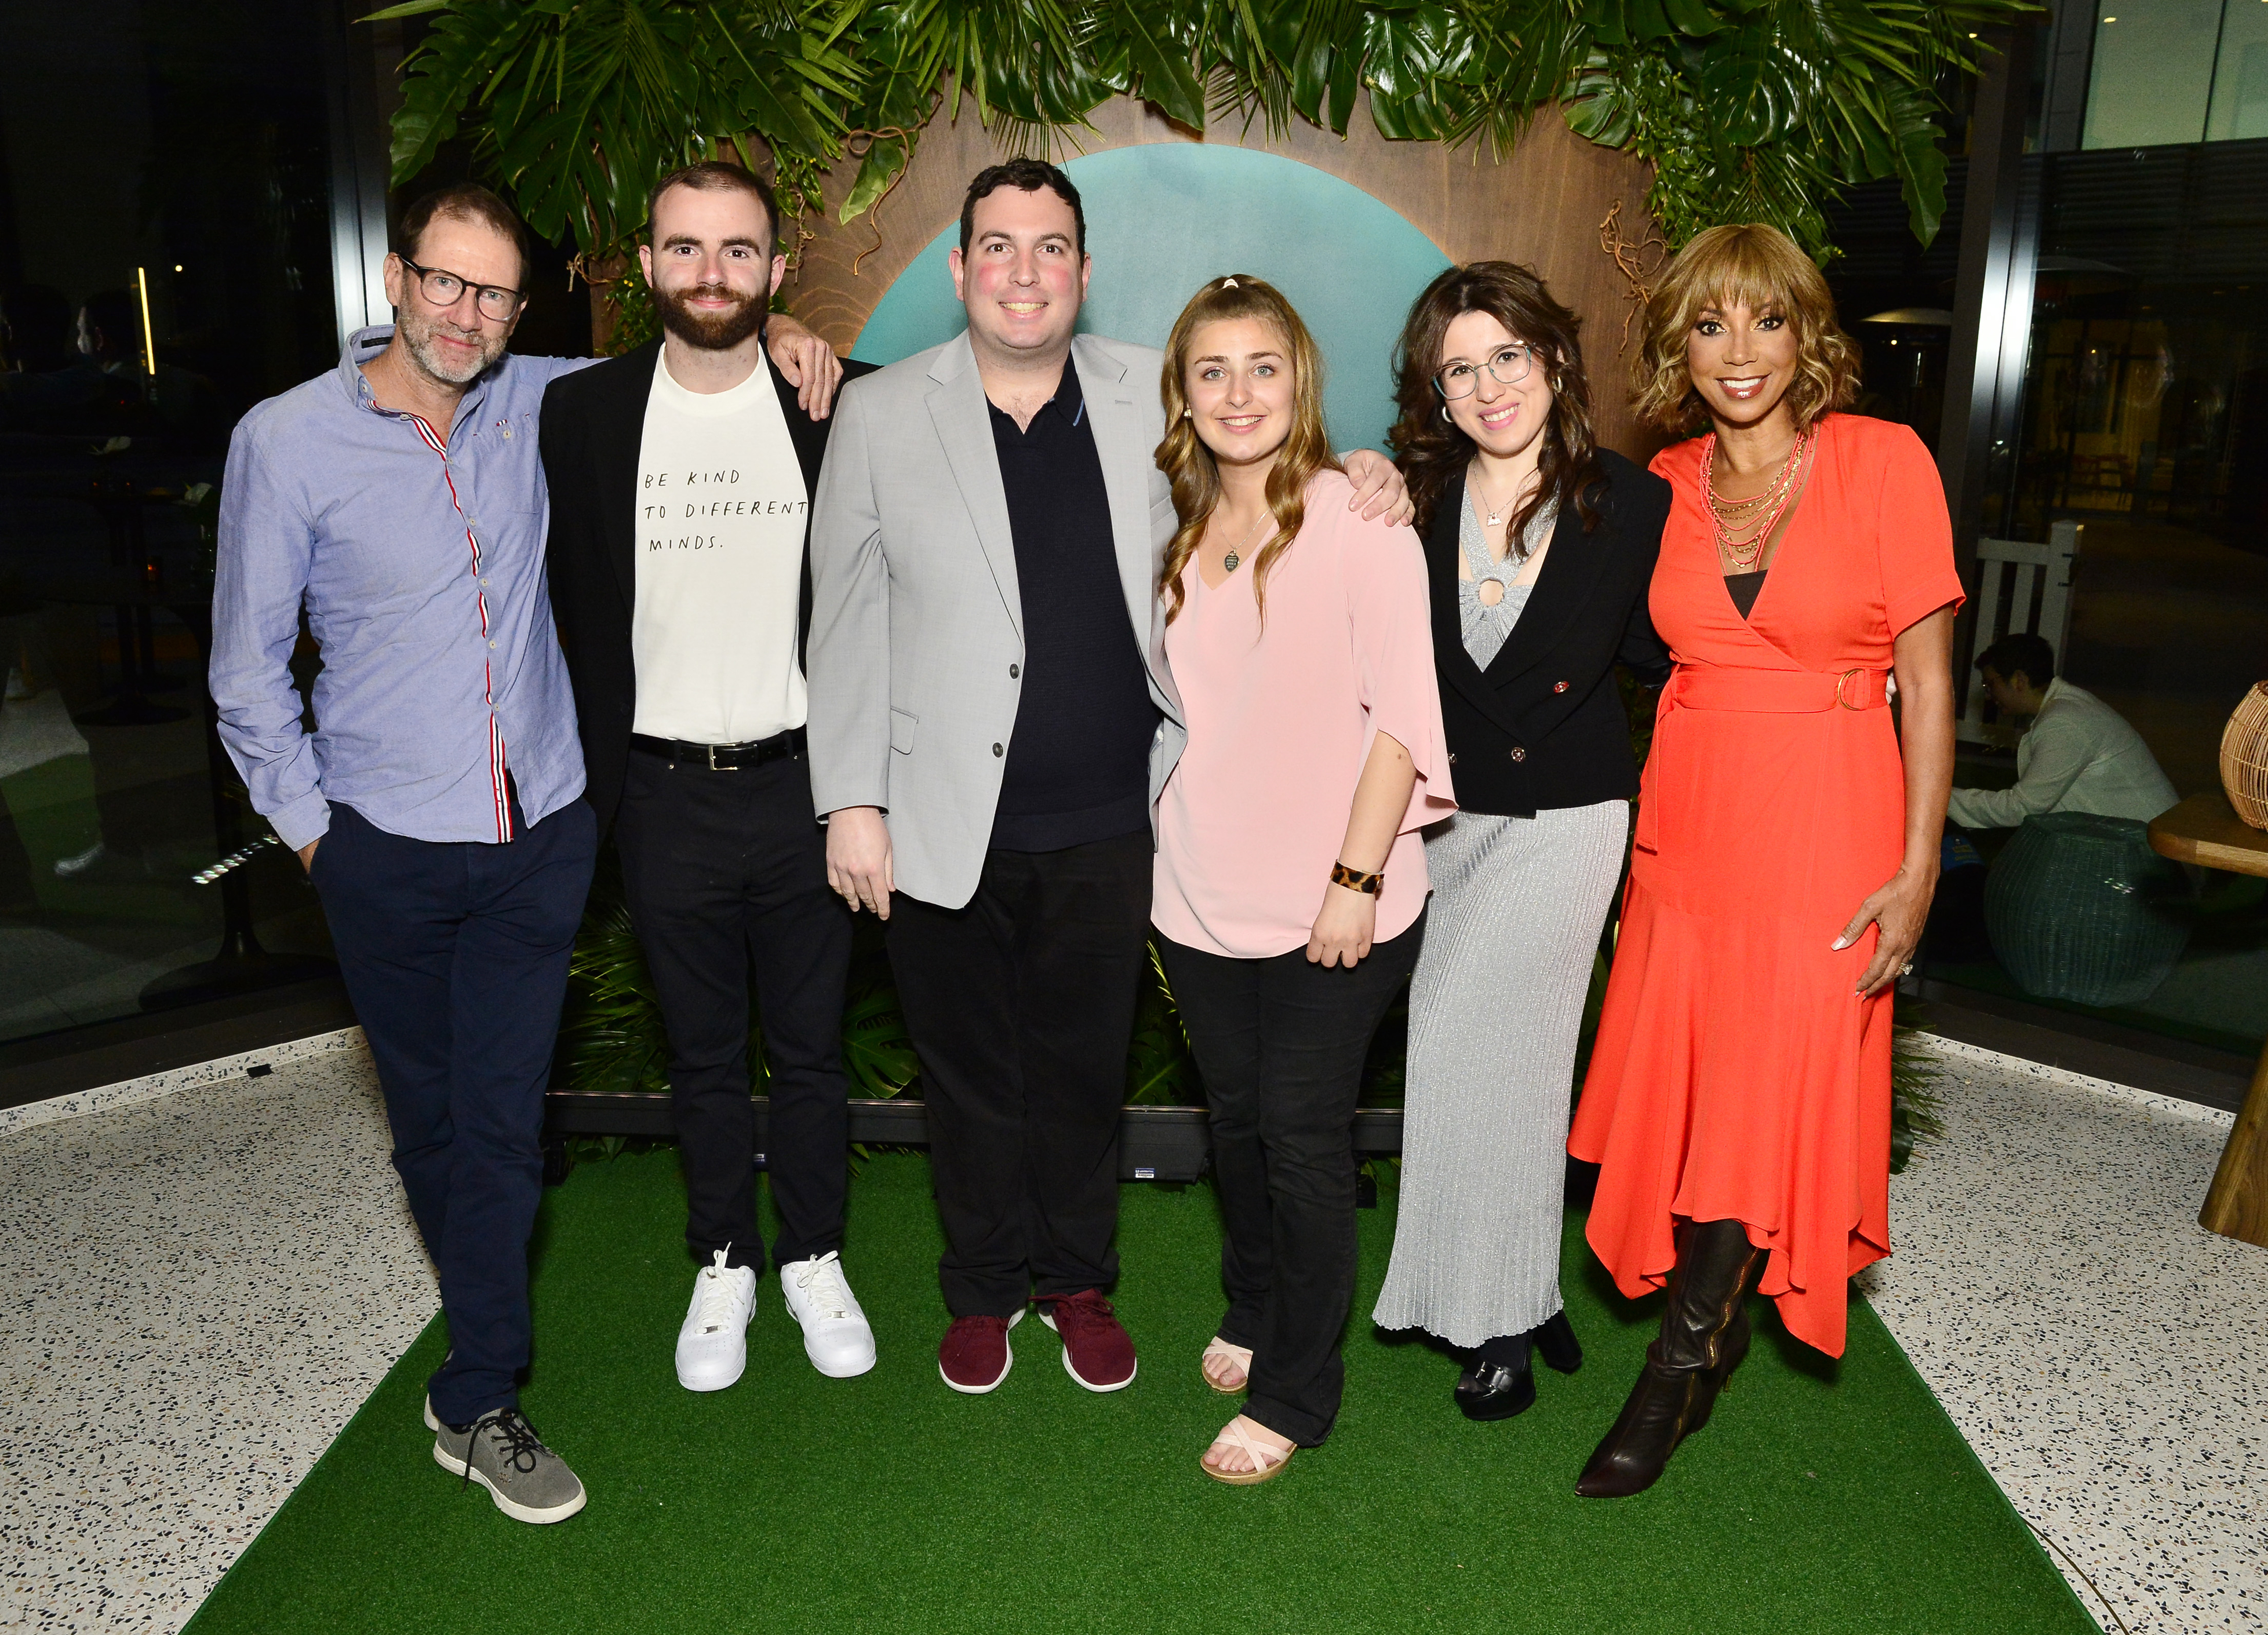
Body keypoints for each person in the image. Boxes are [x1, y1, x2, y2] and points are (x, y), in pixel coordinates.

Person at [210, 182, 838, 1524]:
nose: (466, 313)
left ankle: (478, 1389)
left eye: (495, 293)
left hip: (543, 834)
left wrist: (783, 334)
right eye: (446, 281)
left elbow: (691, 352)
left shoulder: (540, 402)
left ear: (518, 311)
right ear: (396, 278)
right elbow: (245, 673)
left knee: (494, 1129)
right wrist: (316, 839)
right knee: (436, 1129)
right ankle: (483, 1346)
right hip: (380, 845)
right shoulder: (289, 441)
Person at [809, 159, 1410, 1399]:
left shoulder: (1157, 390)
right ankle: (981, 1287)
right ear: (957, 267)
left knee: (1083, 1069)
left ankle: (1075, 1280)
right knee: (965, 1073)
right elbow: (843, 618)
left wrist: (1367, 468)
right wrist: (848, 800)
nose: (1021, 271)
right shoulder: (878, 414)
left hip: (1113, 816)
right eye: (997, 246)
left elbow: (1267, 451)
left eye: (1048, 248)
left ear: (1082, 273)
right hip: (933, 817)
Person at [1567, 223, 1963, 1498]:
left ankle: (1678, 1365)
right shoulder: (1658, 485)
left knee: (1772, 1079)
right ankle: (1708, 1318)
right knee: (1695, 1087)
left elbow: (1929, 684)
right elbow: (1513, 538)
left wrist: (1917, 870)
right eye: (1707, 325)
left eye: (1766, 321)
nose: (1738, 351)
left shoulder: (1878, 460)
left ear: (1810, 336)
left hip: (1834, 813)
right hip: (1688, 826)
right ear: (1676, 347)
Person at [539, 161, 879, 1397]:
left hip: (808, 785)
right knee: (699, 1053)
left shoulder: (842, 404)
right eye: (684, 249)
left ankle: (816, 1255)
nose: (711, 275)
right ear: (643, 266)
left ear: (777, 270)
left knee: (810, 1050)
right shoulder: (575, 414)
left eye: (739, 252)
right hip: (660, 789)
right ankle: (724, 1258)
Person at [1149, 274, 1454, 1484]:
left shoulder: (1356, 516)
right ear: (1181, 391)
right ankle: (1251, 1304)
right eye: (1211, 370)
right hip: (1198, 894)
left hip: (1340, 896)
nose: (1238, 392)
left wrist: (1353, 876)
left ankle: (1295, 1390)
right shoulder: (1170, 525)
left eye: (1262, 367)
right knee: (1235, 1126)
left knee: (1301, 1138)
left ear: (1299, 380)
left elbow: (1403, 720)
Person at [1368, 262, 1672, 1421]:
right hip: (1438, 818)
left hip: (1565, 817)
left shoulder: (1629, 502)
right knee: (1476, 1055)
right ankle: (1523, 1287)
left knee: (1488, 1051)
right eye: (1459, 368)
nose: (1488, 383)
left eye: (1506, 355)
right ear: (1435, 394)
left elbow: (1663, 655)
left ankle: (1492, 1318)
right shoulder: (1407, 498)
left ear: (1550, 359)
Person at [1949, 632, 2178, 828]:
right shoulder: (2067, 708)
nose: (1989, 695)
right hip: (2137, 843)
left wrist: (1936, 799)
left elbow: (2021, 808)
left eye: (1991, 684)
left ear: (2019, 679)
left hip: (2150, 854)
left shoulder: (2064, 721)